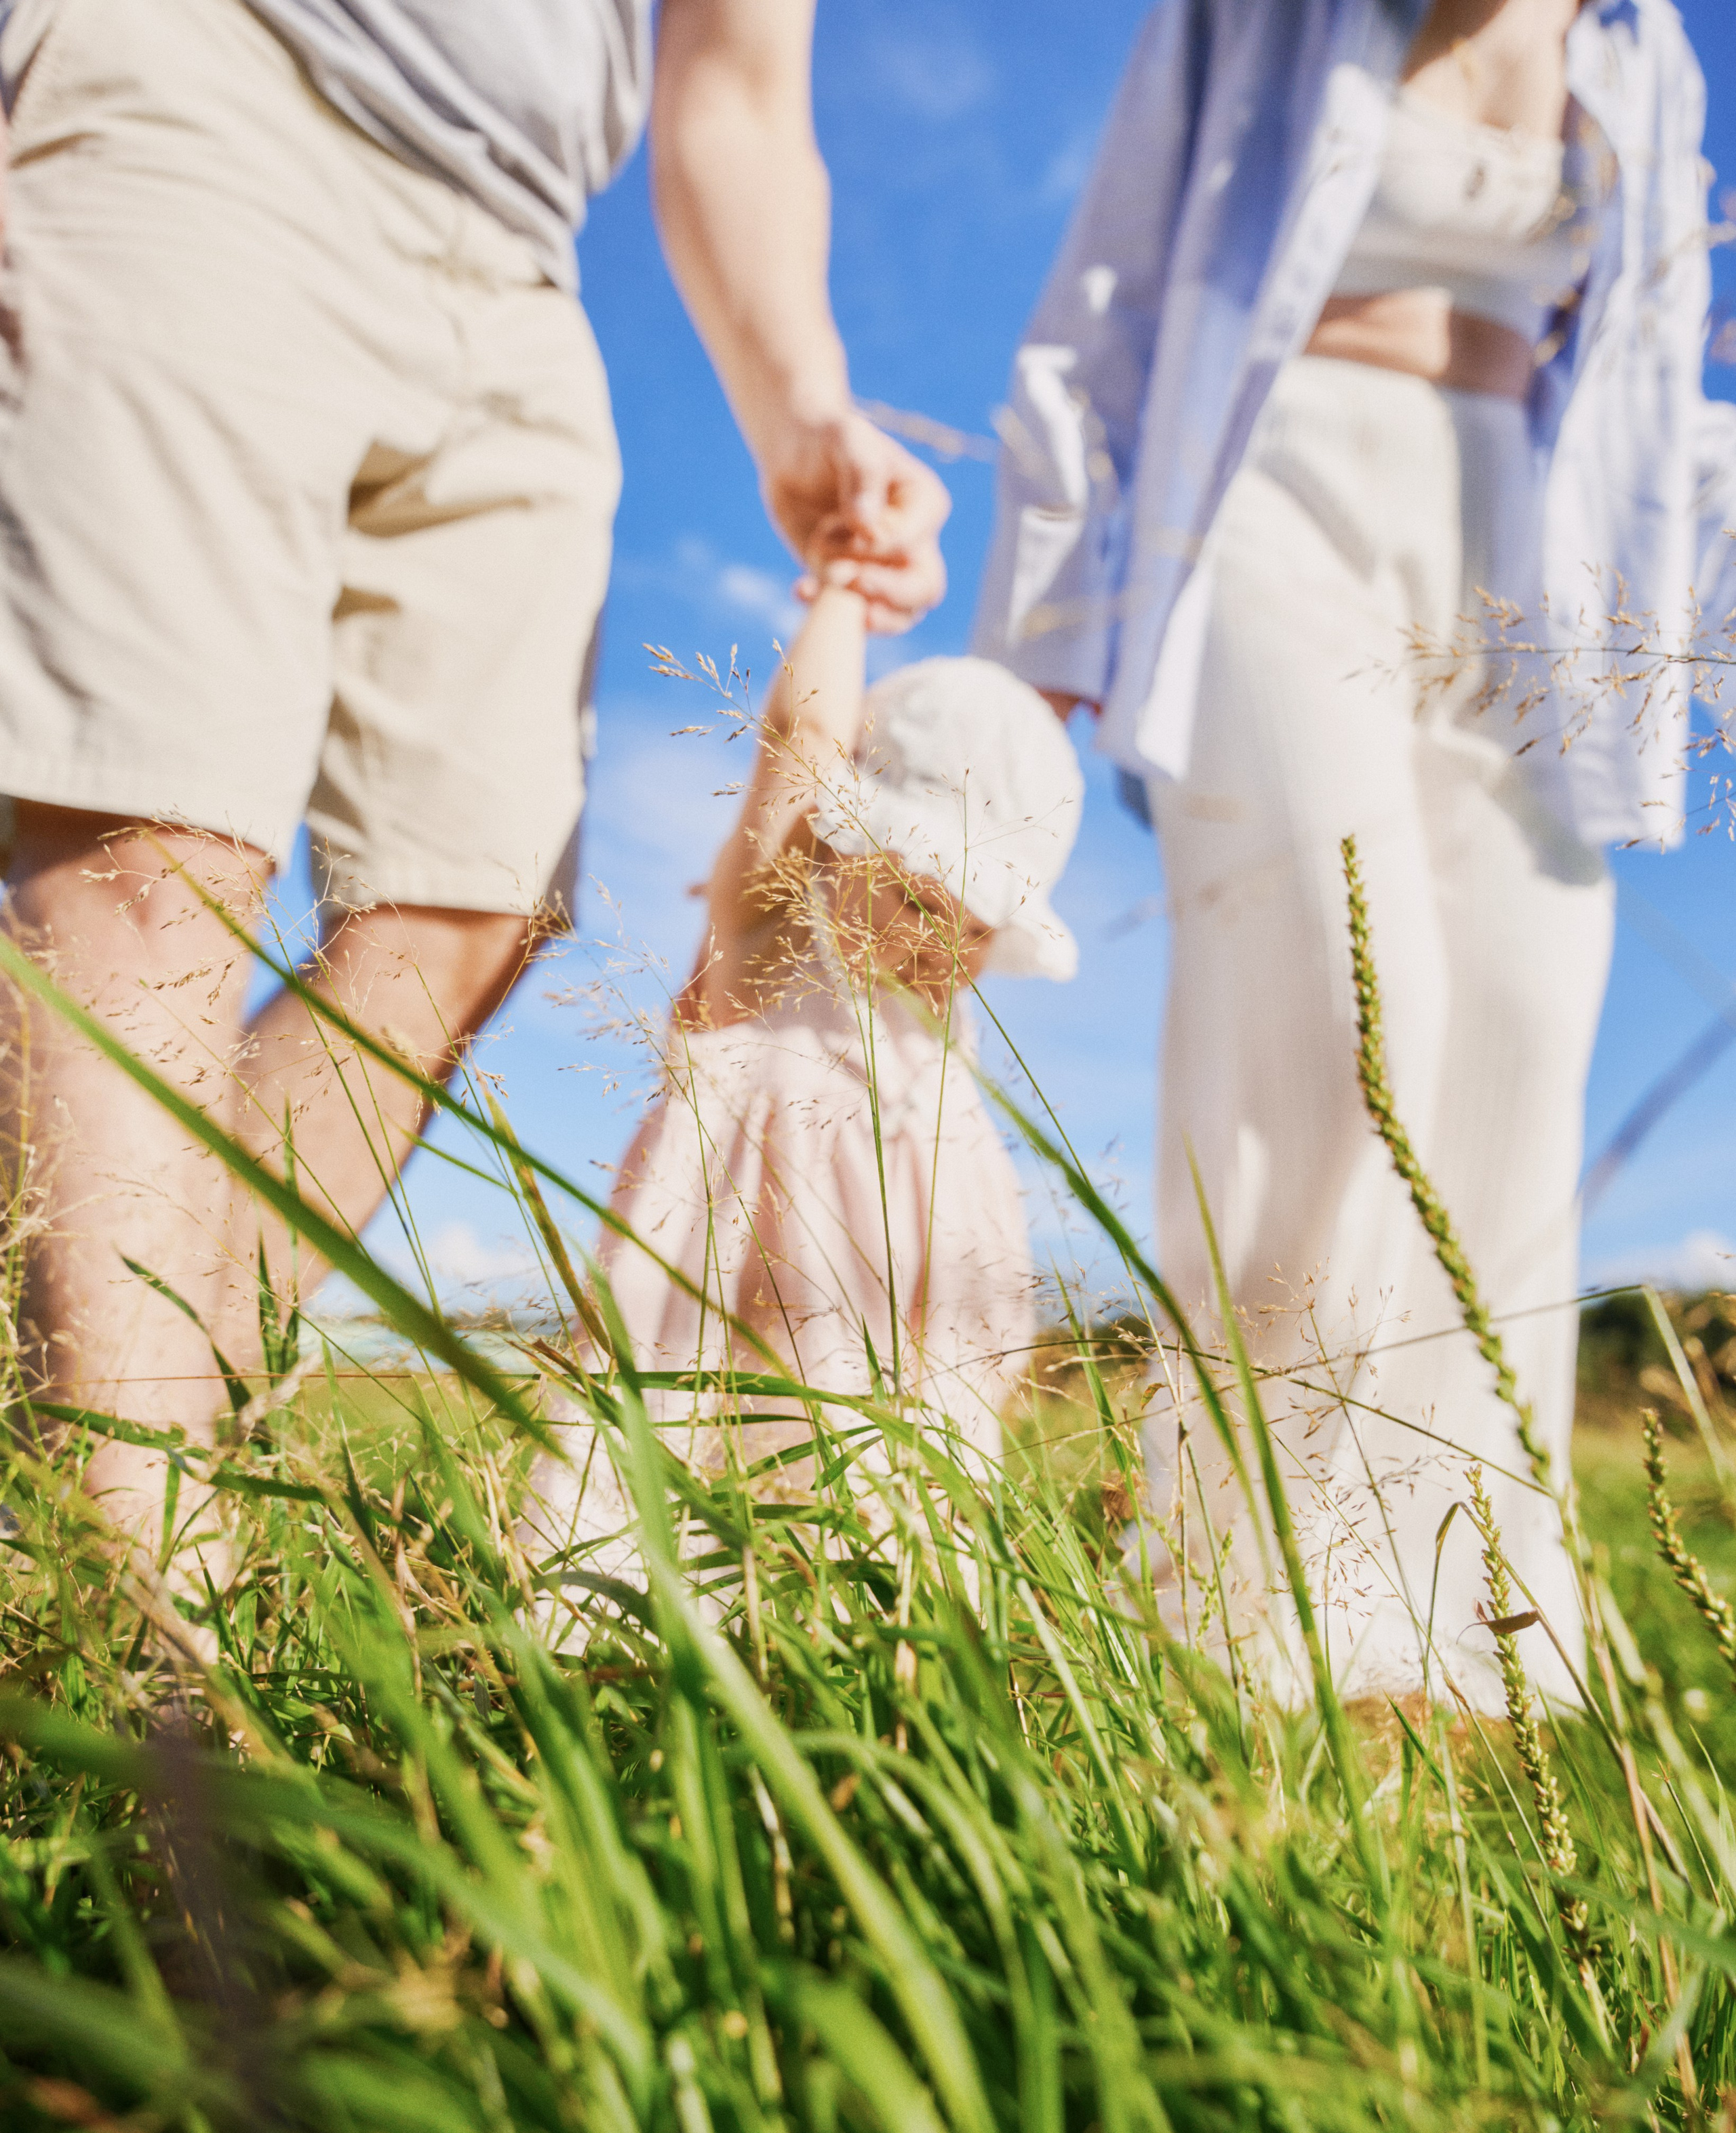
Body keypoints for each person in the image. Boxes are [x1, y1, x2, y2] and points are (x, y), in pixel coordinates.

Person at [0, 0, 950, 1550]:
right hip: (195, 73)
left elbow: (736, 84)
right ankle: (145, 1621)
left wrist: (803, 409)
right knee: (152, 829)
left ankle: (65, 1450)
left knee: (467, 902)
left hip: (517, 261)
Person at [974, 0, 1736, 1712]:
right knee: (1336, 1012)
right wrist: (1034, 650)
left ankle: (1459, 1650)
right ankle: (1236, 1617)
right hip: (1262, 500)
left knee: (1524, 1044)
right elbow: (1102, 296)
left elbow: (1653, 398)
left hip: (1521, 554)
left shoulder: (1644, 53)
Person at [524, 577, 1082, 1594]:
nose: (944, 950)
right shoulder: (775, 924)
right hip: (745, 1290)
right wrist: (843, 589)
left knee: (885, 1512)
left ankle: (881, 1628)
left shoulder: (935, 1027)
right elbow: (800, 741)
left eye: (977, 928)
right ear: (839, 842)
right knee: (698, 1475)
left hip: (896, 1327)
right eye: (921, 898)